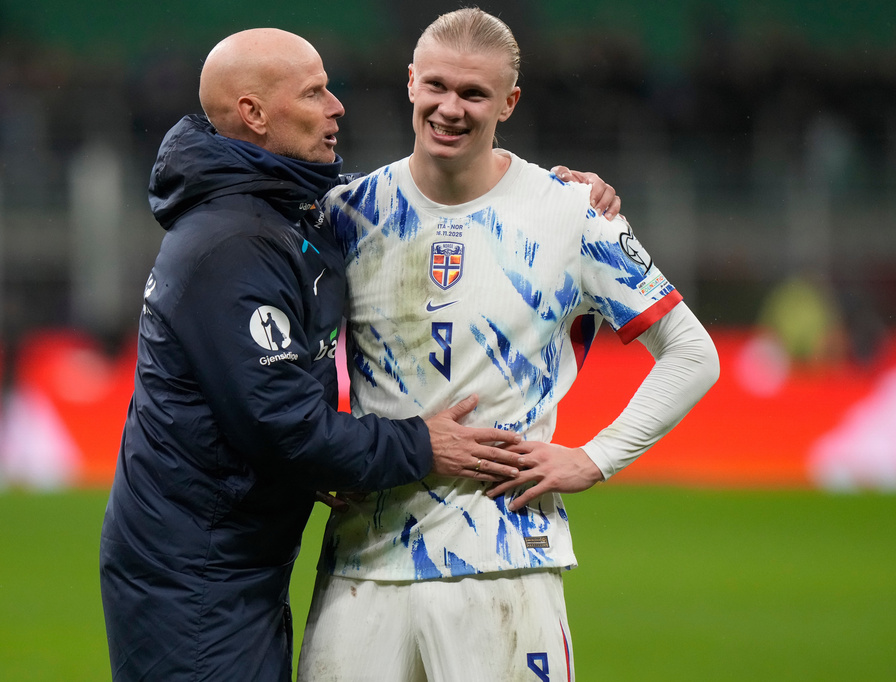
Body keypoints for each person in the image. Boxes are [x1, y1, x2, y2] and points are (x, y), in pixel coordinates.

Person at [98, 27, 535, 682]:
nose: (337, 107)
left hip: (227, 559)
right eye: (315, 92)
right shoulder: (232, 246)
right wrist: (423, 446)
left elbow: (417, 199)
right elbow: (281, 424)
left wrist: (545, 192)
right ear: (254, 113)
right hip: (188, 574)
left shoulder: (287, 209)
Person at [298, 9, 720, 682]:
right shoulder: (345, 214)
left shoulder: (572, 214)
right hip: (363, 563)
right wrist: (315, 452)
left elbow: (693, 354)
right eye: (436, 86)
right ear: (411, 83)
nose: (450, 108)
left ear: (509, 103)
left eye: (474, 94)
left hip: (503, 561)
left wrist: (594, 458)